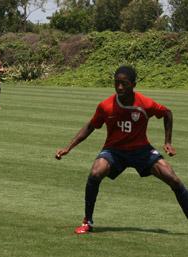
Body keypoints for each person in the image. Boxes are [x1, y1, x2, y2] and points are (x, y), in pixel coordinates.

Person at [55, 65, 188, 234]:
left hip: (142, 150)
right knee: (95, 172)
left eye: (123, 83)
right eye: (116, 83)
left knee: (173, 179)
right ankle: (87, 221)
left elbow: (167, 113)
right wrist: (69, 147)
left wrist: (168, 141)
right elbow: (90, 126)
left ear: (133, 84)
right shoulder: (105, 106)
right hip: (114, 151)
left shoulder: (145, 103)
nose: (119, 87)